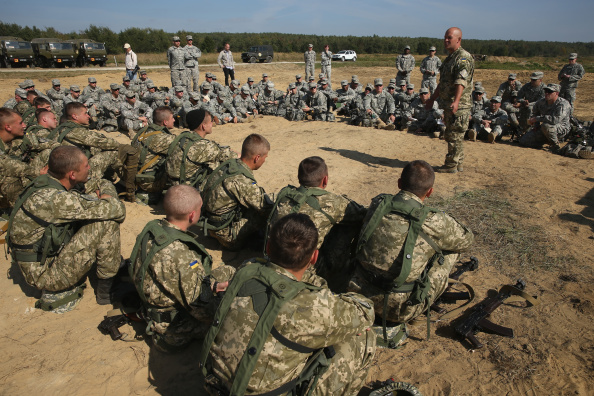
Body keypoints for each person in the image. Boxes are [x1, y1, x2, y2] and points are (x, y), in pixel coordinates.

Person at [199, 213, 376, 396]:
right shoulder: (314, 306)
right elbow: (365, 312)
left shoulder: (246, 269)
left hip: (214, 384)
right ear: (314, 257)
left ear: (268, 246)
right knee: (363, 339)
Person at [348, 160, 474, 339]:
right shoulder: (435, 221)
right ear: (430, 192)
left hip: (356, 293)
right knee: (450, 250)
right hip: (398, 309)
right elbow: (467, 239)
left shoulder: (378, 203)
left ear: (399, 183)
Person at [8, 146, 126, 312]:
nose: (90, 168)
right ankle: (107, 289)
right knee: (106, 222)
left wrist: (103, 189)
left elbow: (97, 181)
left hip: (41, 261)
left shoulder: (45, 183)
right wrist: (107, 196)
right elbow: (118, 210)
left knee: (94, 208)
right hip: (46, 276)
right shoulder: (55, 200)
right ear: (72, 174)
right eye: (86, 166)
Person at [130, 185, 235, 352]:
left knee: (227, 271)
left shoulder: (154, 229)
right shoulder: (180, 255)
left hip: (154, 305)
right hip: (173, 331)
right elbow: (202, 311)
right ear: (192, 215)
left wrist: (213, 286)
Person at [267, 156, 367, 291]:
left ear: (299, 177)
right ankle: (339, 275)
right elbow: (363, 214)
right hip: (303, 269)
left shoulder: (285, 194)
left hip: (274, 260)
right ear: (325, 180)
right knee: (348, 225)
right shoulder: (332, 202)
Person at [49, 102, 139, 202]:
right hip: (75, 174)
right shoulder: (77, 132)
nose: (88, 116)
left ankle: (114, 180)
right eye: (85, 113)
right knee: (117, 152)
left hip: (62, 171)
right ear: (75, 116)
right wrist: (120, 146)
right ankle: (129, 190)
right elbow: (106, 142)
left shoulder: (61, 129)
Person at [201, 133, 273, 250]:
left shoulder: (230, 165)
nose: (265, 160)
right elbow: (264, 206)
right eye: (265, 157)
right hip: (226, 234)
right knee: (267, 213)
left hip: (209, 224)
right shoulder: (241, 180)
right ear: (257, 158)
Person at [426, 27, 475, 174]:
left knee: (454, 135)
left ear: (458, 40)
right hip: (450, 104)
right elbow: (443, 83)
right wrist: (432, 98)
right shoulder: (449, 59)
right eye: (445, 38)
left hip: (459, 105)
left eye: (449, 38)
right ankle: (458, 162)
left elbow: (461, 81)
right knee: (453, 134)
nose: (446, 40)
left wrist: (457, 101)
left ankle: (451, 164)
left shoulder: (463, 58)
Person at [166, 108, 236, 188]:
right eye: (211, 121)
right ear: (203, 126)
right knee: (228, 167)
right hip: (190, 189)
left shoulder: (182, 138)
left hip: (173, 186)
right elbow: (233, 156)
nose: (212, 124)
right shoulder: (204, 146)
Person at [131, 106, 178, 196]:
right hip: (149, 183)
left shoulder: (143, 131)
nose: (174, 120)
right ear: (165, 122)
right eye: (172, 118)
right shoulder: (162, 138)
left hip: (134, 176)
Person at [0, 109, 42, 209]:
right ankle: (19, 209)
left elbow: (43, 143)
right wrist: (40, 173)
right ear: (8, 127)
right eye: (20, 123)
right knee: (10, 178)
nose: (24, 125)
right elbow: (9, 165)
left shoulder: (16, 140)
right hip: (6, 187)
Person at [519, 83, 571, 152]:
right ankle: (545, 141)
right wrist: (536, 125)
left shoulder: (563, 104)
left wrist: (537, 119)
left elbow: (555, 120)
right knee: (523, 141)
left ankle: (556, 146)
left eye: (549, 92)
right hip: (544, 129)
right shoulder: (541, 102)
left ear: (557, 93)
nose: (547, 93)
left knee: (546, 125)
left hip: (560, 128)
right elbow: (534, 112)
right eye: (546, 91)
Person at [516, 71, 545, 135]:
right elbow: (519, 97)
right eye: (531, 79)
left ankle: (528, 129)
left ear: (540, 80)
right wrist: (523, 101)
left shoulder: (543, 89)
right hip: (525, 105)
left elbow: (540, 101)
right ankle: (520, 128)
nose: (532, 81)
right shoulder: (527, 86)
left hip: (538, 107)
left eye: (534, 80)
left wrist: (529, 104)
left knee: (530, 109)